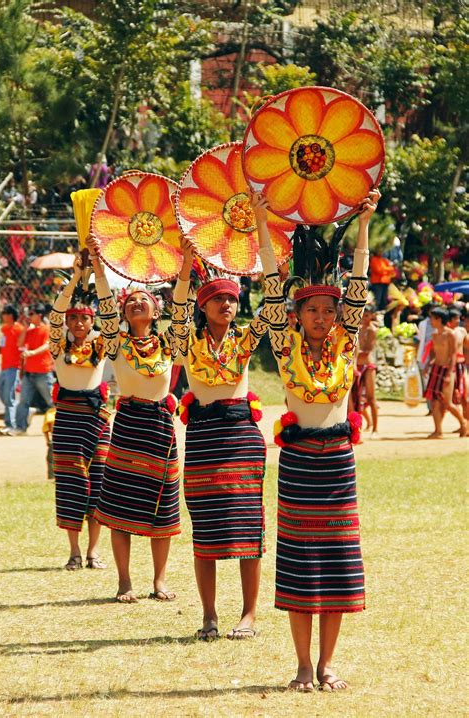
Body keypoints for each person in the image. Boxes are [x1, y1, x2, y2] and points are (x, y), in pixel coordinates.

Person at [266, 190, 380, 692]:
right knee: (298, 564)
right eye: (312, 310)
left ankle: (328, 664)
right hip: (297, 464)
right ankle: (302, 666)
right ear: (298, 314)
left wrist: (364, 223)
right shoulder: (282, 342)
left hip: (337, 462)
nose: (321, 317)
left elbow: (358, 279)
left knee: (335, 564)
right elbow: (272, 284)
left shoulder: (346, 343)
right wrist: (258, 220)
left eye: (328, 311)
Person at [171, 193, 281, 641]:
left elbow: (273, 301)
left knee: (247, 526)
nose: (228, 307)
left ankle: (249, 615)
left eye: (233, 301)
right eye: (219, 301)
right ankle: (209, 616)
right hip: (201, 438)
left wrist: (260, 222)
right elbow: (177, 312)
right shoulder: (186, 342)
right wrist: (185, 264)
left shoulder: (246, 339)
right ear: (204, 306)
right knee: (207, 528)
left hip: (240, 436)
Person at [86, 234, 181, 603]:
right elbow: (105, 303)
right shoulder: (115, 342)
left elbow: (184, 304)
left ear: (157, 312)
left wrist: (186, 263)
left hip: (160, 428)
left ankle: (159, 580)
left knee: (164, 505)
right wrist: (97, 263)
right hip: (127, 426)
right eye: (131, 301)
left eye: (145, 299)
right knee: (119, 503)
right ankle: (124, 581)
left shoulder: (170, 343)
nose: (136, 303)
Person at [48, 256, 111, 570]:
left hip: (98, 420)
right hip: (68, 419)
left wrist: (98, 273)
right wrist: (74, 279)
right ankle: (74, 551)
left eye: (83, 319)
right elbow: (54, 315)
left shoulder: (100, 344)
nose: (77, 324)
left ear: (91, 321)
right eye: (73, 319)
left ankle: (93, 552)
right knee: (72, 484)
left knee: (99, 483)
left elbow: (111, 318)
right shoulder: (58, 346)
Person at [424, 307, 467, 438]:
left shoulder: (451, 334)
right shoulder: (435, 335)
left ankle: (463, 423)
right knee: (435, 402)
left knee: (447, 403)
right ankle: (438, 431)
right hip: (436, 368)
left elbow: (453, 354)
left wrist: (449, 373)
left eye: (432, 318)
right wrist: (428, 364)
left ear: (439, 319)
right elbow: (434, 353)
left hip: (448, 369)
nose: (430, 320)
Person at [15, 303, 54, 434]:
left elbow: (47, 345)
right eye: (29, 314)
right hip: (29, 372)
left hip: (43, 372)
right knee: (23, 401)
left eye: (32, 314)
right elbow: (19, 343)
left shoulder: (47, 328)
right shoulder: (30, 330)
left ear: (40, 315)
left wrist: (32, 353)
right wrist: (25, 328)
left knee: (51, 401)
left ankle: (58, 428)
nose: (29, 316)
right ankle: (20, 428)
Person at [352, 305, 379, 437]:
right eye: (364, 315)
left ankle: (375, 429)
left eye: (368, 315)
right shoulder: (357, 329)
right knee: (356, 396)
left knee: (371, 398)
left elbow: (368, 350)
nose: (365, 318)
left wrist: (354, 352)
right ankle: (363, 425)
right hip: (356, 365)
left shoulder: (372, 330)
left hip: (368, 366)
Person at [0, 305, 23, 435]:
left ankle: (10, 424)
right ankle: (24, 412)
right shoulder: (4, 328)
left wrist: (22, 368)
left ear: (11, 315)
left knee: (9, 396)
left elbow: (23, 348)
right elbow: (1, 346)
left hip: (14, 367)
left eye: (5, 314)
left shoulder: (19, 329)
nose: (3, 316)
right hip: (4, 367)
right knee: (1, 393)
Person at [447, 308, 467, 412]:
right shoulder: (446, 332)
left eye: (459, 318)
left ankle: (465, 423)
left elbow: (467, 344)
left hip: (461, 364)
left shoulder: (461, 331)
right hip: (449, 364)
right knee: (451, 395)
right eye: (456, 318)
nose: (458, 320)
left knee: (463, 393)